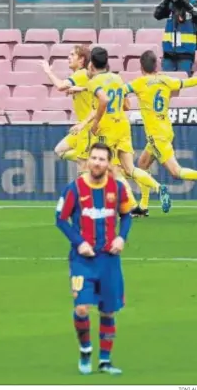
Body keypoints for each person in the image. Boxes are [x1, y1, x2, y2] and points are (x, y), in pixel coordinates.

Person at [56, 142, 133, 375]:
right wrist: (79, 243)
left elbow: (126, 215)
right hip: (83, 262)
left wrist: (122, 237)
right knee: (81, 308)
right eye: (94, 158)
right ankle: (86, 350)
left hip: (109, 260)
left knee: (108, 311)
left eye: (102, 159)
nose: (97, 163)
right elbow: (60, 219)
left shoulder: (118, 188)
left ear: (109, 164)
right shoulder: (74, 189)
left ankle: (105, 361)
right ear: (88, 160)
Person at [70, 47, 172, 213]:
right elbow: (126, 105)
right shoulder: (117, 78)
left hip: (107, 128)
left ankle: (129, 205)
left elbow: (103, 100)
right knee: (130, 168)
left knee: (112, 170)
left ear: (91, 64)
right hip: (123, 126)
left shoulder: (94, 82)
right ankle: (159, 187)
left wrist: (94, 124)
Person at [125, 50, 197, 217]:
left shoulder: (139, 83)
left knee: (176, 172)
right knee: (142, 164)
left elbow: (120, 90)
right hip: (166, 130)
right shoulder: (165, 80)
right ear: (156, 65)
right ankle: (143, 206)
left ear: (141, 67)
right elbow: (188, 82)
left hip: (156, 136)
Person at [41, 45, 93, 173]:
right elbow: (87, 87)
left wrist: (48, 71)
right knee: (60, 150)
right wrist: (77, 89)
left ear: (81, 60)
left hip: (88, 127)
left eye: (72, 55)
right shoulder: (81, 77)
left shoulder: (81, 74)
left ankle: (91, 161)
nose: (68, 57)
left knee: (83, 172)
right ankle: (91, 160)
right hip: (81, 127)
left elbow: (60, 86)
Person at [154, 0, 197, 76]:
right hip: (168, 52)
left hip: (186, 52)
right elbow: (157, 14)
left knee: (183, 82)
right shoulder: (169, 2)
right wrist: (166, 0)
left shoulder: (191, 1)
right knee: (166, 83)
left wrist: (185, 3)